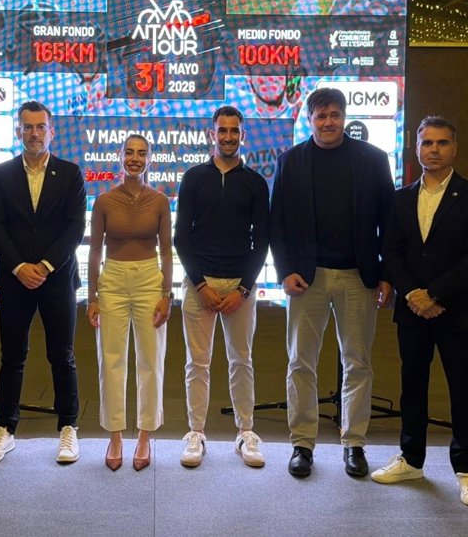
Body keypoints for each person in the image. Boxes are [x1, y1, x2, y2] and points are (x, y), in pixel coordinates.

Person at [269, 87, 394, 479]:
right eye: (321, 116)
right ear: (310, 120)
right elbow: (277, 222)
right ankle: (302, 445)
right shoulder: (290, 161)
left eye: (334, 115)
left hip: (359, 277)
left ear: (344, 117)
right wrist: (284, 270)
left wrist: (387, 273)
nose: (328, 122)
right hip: (307, 279)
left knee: (357, 363)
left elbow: (389, 222)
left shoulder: (373, 159)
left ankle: (353, 443)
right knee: (300, 362)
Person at [372, 116, 468, 508]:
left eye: (442, 142)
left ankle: (467, 471)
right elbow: (391, 252)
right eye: (428, 143)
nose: (435, 149)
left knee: (462, 391)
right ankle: (411, 459)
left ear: (454, 148)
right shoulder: (400, 199)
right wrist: (413, 294)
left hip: (458, 311)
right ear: (417, 148)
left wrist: (435, 295)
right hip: (412, 311)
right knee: (412, 386)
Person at [0, 101, 87, 465]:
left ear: (51, 132)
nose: (34, 133)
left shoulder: (70, 173)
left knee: (62, 356)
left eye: (41, 127)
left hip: (57, 278)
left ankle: (68, 428)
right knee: (12, 356)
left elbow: (75, 226)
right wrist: (18, 267)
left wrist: (43, 265)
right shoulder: (1, 174)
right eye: (27, 127)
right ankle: (4, 429)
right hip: (15, 280)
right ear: (18, 132)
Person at [172, 106, 269, 468]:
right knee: (197, 363)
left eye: (234, 131)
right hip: (200, 285)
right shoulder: (194, 178)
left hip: (240, 289)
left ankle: (246, 433)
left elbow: (261, 241)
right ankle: (196, 433)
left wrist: (243, 290)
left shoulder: (255, 183)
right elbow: (182, 237)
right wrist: (200, 285)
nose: (228, 137)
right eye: (222, 130)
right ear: (211, 134)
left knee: (241, 360)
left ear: (243, 135)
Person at [85, 134, 173, 471]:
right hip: (113, 282)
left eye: (142, 153)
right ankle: (116, 435)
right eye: (129, 153)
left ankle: (145, 436)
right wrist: (92, 297)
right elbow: (95, 249)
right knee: (111, 360)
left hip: (150, 280)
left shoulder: (160, 200)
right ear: (120, 156)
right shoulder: (104, 201)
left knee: (151, 359)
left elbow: (167, 250)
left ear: (150, 159)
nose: (135, 158)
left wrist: (166, 293)